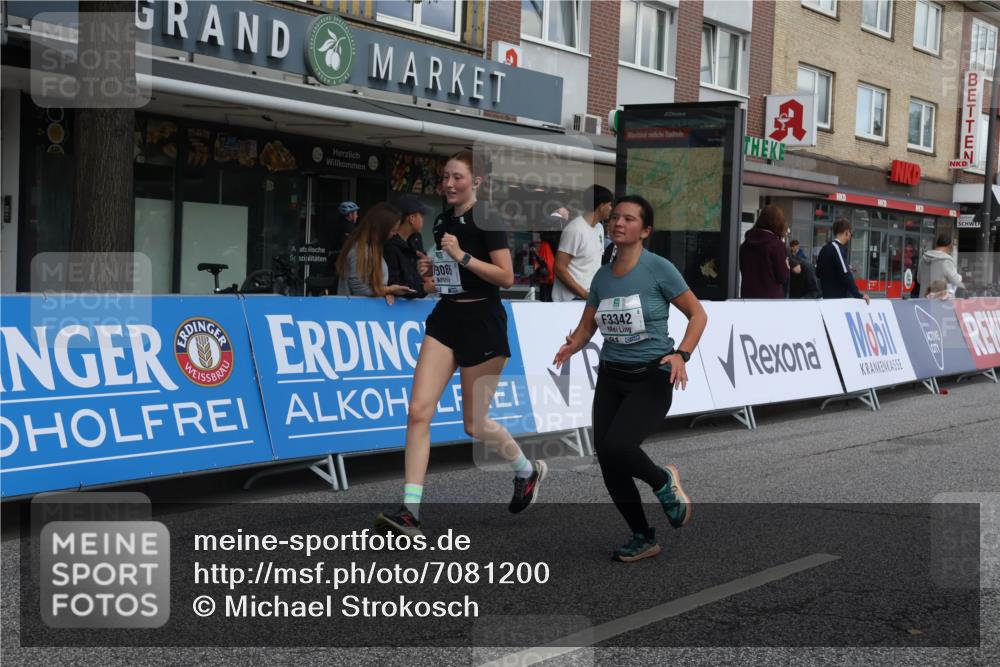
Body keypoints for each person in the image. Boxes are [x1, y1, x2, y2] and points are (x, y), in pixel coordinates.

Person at [375, 151, 546, 536]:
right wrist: (431, 273)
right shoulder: (441, 222)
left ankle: (526, 470)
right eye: (445, 178)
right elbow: (448, 281)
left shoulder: (488, 218)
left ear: (477, 181)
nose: (449, 184)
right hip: (447, 318)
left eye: (457, 177)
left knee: (474, 423)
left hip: (483, 322)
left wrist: (461, 255)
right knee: (418, 411)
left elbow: (505, 277)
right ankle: (410, 511)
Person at [553, 195, 708, 563]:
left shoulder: (659, 269)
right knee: (608, 460)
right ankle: (642, 536)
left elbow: (698, 314)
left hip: (651, 376)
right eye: (616, 218)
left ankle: (662, 481)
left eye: (629, 219)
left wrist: (682, 354)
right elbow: (588, 325)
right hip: (611, 377)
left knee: (619, 446)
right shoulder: (602, 276)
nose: (618, 223)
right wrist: (574, 344)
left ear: (646, 230)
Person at [335, 202, 416, 303]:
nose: (395, 234)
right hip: (355, 309)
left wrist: (385, 292)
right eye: (392, 230)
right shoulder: (360, 249)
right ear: (381, 229)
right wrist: (389, 290)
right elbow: (360, 290)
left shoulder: (371, 248)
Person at [553, 185, 614, 301]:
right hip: (571, 300)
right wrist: (584, 294)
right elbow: (559, 268)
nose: (611, 208)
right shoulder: (575, 229)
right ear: (601, 206)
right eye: (610, 204)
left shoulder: (599, 228)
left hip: (589, 298)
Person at [384, 195, 432, 298]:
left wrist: (428, 272)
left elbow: (421, 275)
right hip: (397, 305)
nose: (423, 220)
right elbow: (394, 285)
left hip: (417, 303)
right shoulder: (390, 246)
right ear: (412, 218)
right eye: (422, 216)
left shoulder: (416, 240)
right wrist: (424, 288)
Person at [739, 205, 790, 299]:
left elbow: (743, 269)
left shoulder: (746, 244)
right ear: (778, 223)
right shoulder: (777, 245)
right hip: (770, 300)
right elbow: (782, 277)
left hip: (748, 297)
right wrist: (787, 267)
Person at [816, 218, 870, 303]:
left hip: (826, 297)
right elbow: (846, 274)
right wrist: (858, 294)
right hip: (838, 298)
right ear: (847, 232)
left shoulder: (825, 248)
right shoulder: (837, 248)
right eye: (851, 233)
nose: (850, 236)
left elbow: (818, 272)